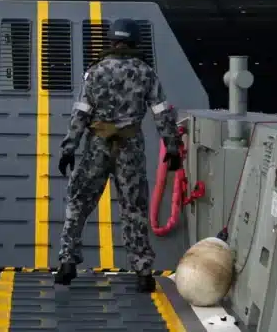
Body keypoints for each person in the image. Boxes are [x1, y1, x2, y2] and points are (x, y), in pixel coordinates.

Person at [55, 18, 183, 292]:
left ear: (111, 41)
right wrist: (171, 147)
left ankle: (67, 263)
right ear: (135, 41)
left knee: (78, 203)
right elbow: (162, 113)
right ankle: (143, 272)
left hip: (96, 145)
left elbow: (81, 112)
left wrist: (69, 148)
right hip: (130, 148)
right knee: (133, 208)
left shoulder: (95, 71)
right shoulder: (146, 73)